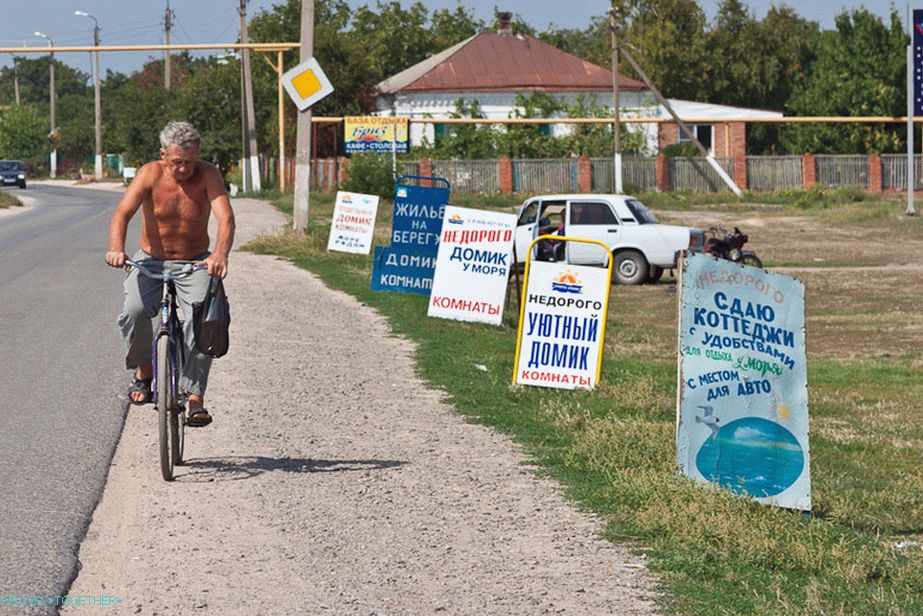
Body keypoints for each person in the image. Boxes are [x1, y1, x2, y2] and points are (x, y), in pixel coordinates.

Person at [105, 121, 235, 427]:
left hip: (195, 263)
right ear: (164, 155)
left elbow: (226, 218)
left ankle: (195, 397)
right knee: (133, 311)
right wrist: (116, 249)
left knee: (206, 323)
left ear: (198, 154)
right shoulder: (150, 173)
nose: (183, 169)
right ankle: (144, 372)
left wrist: (220, 255)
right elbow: (122, 214)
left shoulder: (208, 175)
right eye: (177, 162)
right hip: (151, 261)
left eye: (189, 162)